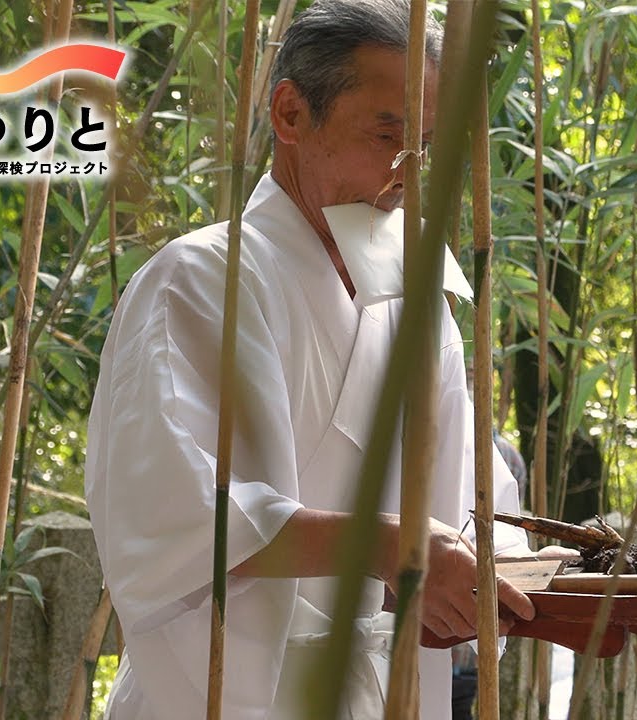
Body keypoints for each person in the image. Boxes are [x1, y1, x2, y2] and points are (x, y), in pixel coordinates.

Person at [84, 1, 556, 718]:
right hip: (218, 697)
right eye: (387, 134)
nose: (409, 172)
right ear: (290, 114)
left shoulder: (419, 301)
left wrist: (572, 586)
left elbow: (453, 522)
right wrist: (384, 543)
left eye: (425, 145)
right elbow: (177, 519)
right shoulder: (202, 278)